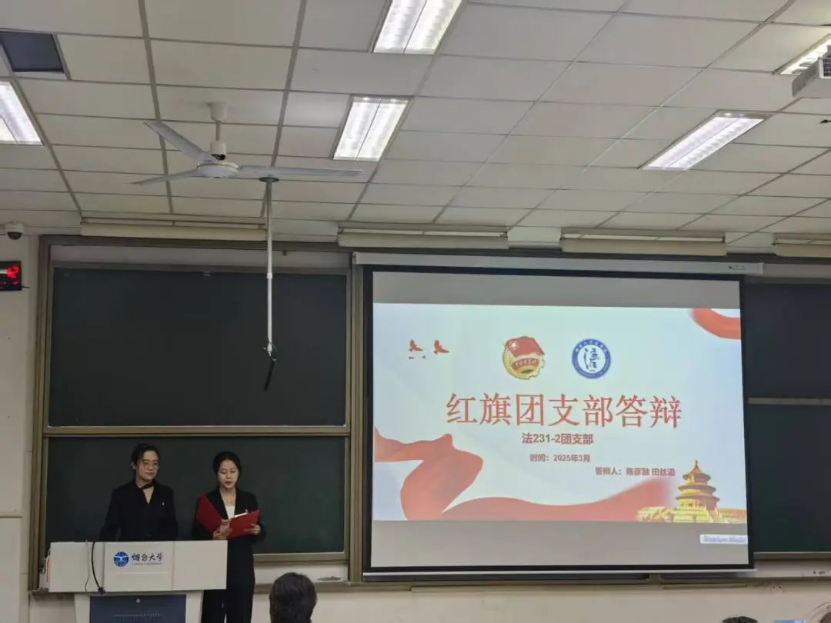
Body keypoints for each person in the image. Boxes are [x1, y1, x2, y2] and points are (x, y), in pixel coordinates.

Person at [192, 451, 264, 623]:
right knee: (212, 617)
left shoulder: (249, 499)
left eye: (233, 471)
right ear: (216, 473)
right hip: (214, 570)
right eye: (223, 472)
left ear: (239, 472)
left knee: (241, 617)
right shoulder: (207, 500)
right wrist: (212, 537)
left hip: (241, 570)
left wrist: (258, 530)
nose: (228, 476)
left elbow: (260, 531)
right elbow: (195, 533)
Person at [100, 443, 178, 542]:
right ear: (134, 465)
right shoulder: (121, 494)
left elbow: (172, 529)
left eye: (155, 463)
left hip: (159, 550)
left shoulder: (166, 493)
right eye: (146, 463)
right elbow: (109, 529)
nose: (151, 468)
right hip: (129, 549)